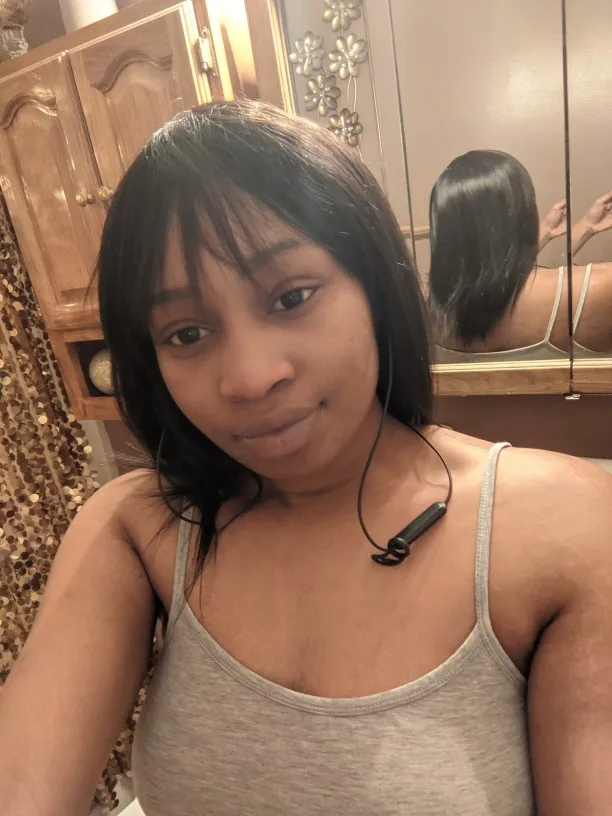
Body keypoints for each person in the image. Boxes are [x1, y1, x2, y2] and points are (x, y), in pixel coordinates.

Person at [1, 100, 612, 816]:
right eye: (187, 334)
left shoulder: (558, 526)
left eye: (291, 296)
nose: (250, 377)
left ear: (374, 286)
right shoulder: (139, 527)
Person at [428, 150, 612, 360]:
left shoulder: (426, 309)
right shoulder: (599, 287)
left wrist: (581, 226)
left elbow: (493, 272)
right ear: (526, 214)